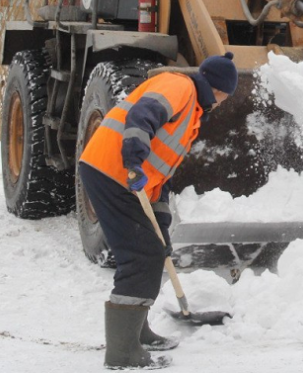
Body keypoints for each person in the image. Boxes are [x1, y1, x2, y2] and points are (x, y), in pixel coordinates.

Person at [78, 53, 238, 369]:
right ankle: (123, 353)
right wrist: (133, 162)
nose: (222, 104)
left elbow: (161, 173)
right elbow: (142, 115)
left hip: (125, 178)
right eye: (226, 96)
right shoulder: (179, 87)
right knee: (141, 256)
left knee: (153, 247)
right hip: (113, 171)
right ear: (219, 90)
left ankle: (138, 332)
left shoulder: (193, 113)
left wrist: (161, 223)